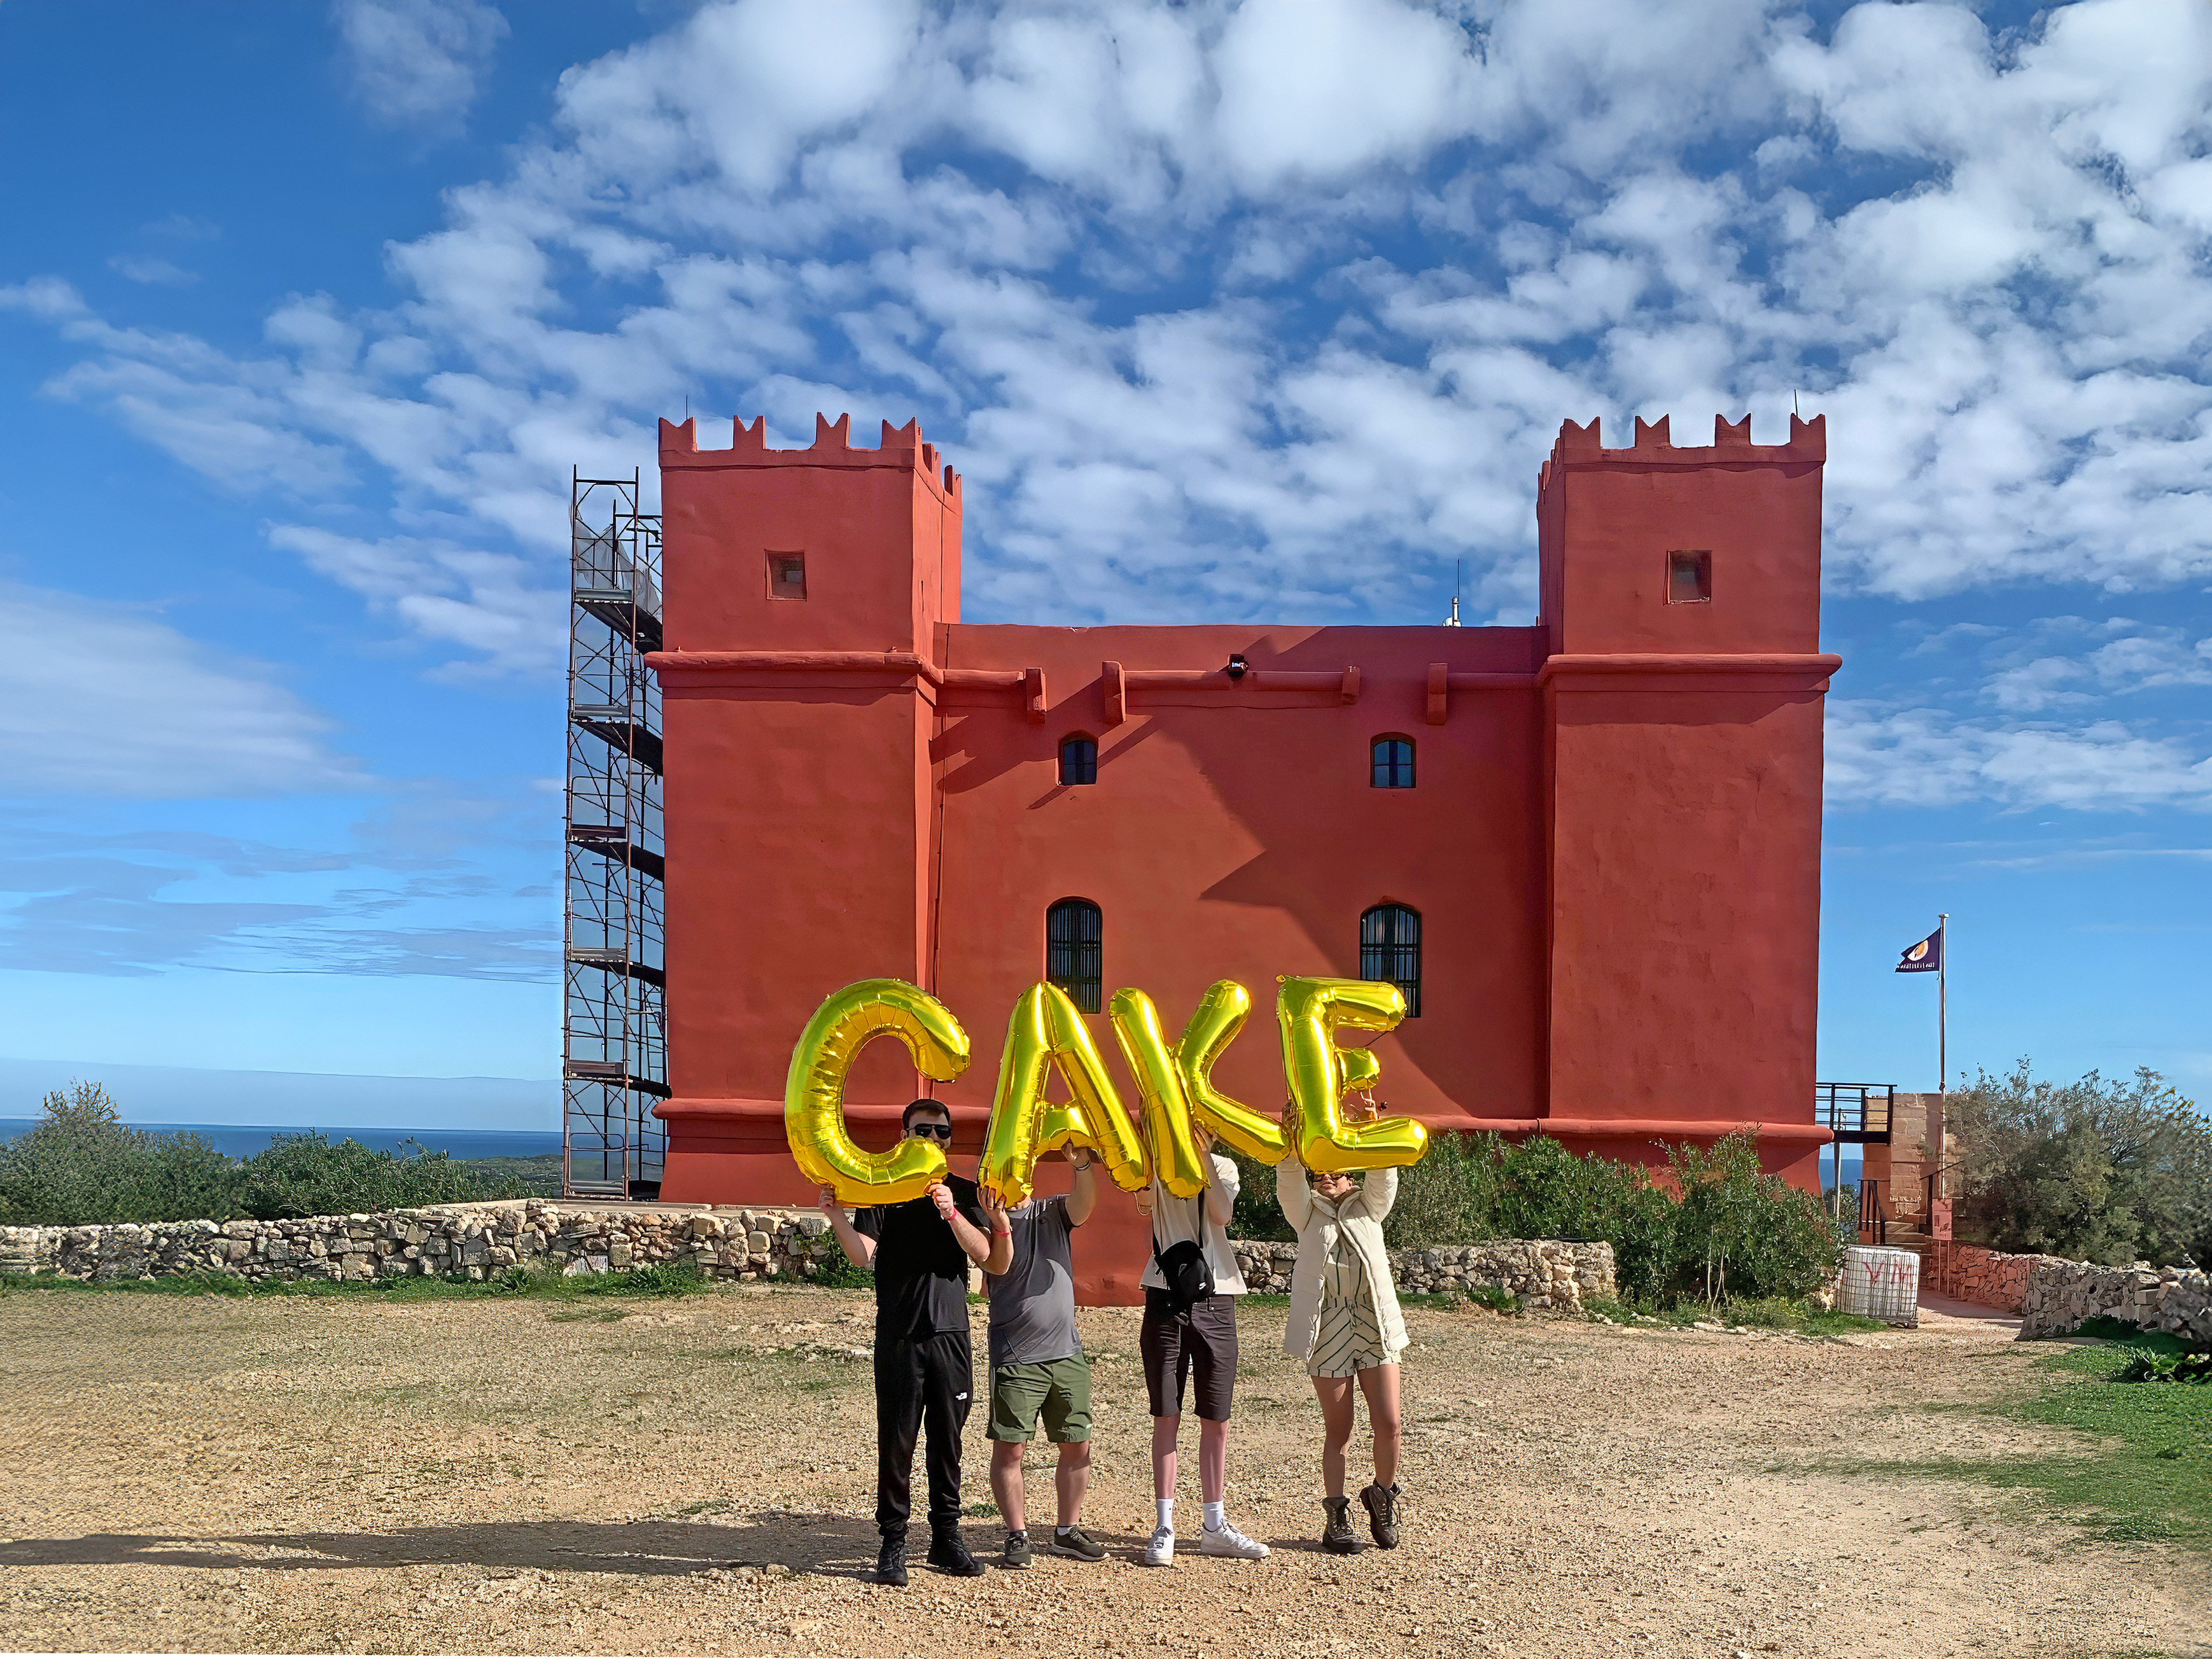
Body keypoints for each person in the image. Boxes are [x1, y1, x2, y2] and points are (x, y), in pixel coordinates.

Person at [819, 1097, 1012, 1586]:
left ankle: (947, 1538)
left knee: (948, 1443)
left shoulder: (963, 1192)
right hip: (900, 1335)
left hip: (950, 1335)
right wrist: (836, 1214)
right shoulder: (884, 1192)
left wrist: (951, 1213)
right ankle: (893, 1544)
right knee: (897, 1441)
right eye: (923, 1130)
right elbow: (864, 1254)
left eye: (942, 1132)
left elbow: (990, 1256)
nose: (933, 1139)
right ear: (904, 1135)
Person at [1276, 1093, 1407, 1555]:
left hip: (1373, 1322)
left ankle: (1383, 1496)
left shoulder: (1369, 1207)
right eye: (1321, 1174)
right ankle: (1336, 1516)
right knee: (1341, 1430)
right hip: (1328, 1325)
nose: (1327, 1180)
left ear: (1350, 1175)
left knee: (1389, 1421)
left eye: (1336, 1173)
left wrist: (1371, 1126)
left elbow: (1384, 1172)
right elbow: (1289, 1181)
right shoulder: (1307, 1214)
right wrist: (1292, 1140)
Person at [1135, 1126, 1269, 1566]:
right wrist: (1151, 1154)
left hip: (1218, 1294)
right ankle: (1164, 1525)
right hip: (1164, 1292)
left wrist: (1204, 1156)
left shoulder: (1224, 1166)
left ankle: (1215, 1525)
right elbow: (1141, 1202)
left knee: (1217, 1416)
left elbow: (1222, 1212)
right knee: (1166, 1414)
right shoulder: (1154, 1166)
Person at [982, 1147, 1107, 1569]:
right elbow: (993, 1271)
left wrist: (1083, 1166)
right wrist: (998, 1223)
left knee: (1077, 1445)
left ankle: (1067, 1531)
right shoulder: (985, 1220)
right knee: (1011, 1450)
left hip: (1066, 1353)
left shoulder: (1051, 1211)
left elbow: (1084, 1204)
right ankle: (1017, 1534)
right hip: (1016, 1355)